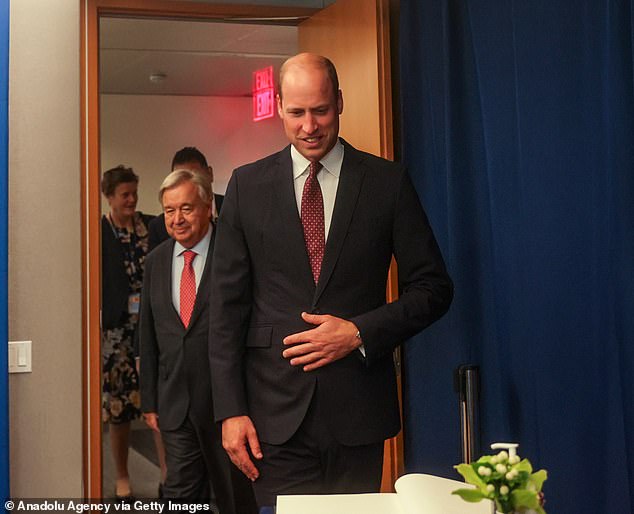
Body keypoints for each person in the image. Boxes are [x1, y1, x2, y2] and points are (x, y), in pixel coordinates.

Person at [208, 53, 454, 508]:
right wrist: (230, 411)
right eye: (297, 112)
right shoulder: (246, 187)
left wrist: (359, 332)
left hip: (358, 413)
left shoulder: (387, 182)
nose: (309, 126)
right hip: (271, 417)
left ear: (339, 102)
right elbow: (225, 310)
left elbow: (434, 288)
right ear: (279, 106)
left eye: (320, 110)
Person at [139, 169, 257, 512]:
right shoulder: (156, 261)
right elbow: (148, 333)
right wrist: (150, 400)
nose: (177, 219)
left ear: (208, 207)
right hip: (175, 405)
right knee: (180, 496)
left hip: (227, 406)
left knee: (235, 497)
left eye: (186, 208)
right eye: (169, 210)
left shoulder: (234, 251)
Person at [101, 165, 158, 500]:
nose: (132, 200)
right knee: (119, 409)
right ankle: (122, 476)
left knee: (160, 404)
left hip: (151, 326)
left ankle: (170, 477)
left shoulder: (151, 226)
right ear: (110, 197)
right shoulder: (100, 231)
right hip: (116, 334)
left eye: (135, 192)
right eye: (125, 194)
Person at [147, 147, 224, 252]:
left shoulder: (234, 209)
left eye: (187, 209)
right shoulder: (159, 228)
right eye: (179, 177)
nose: (178, 219)